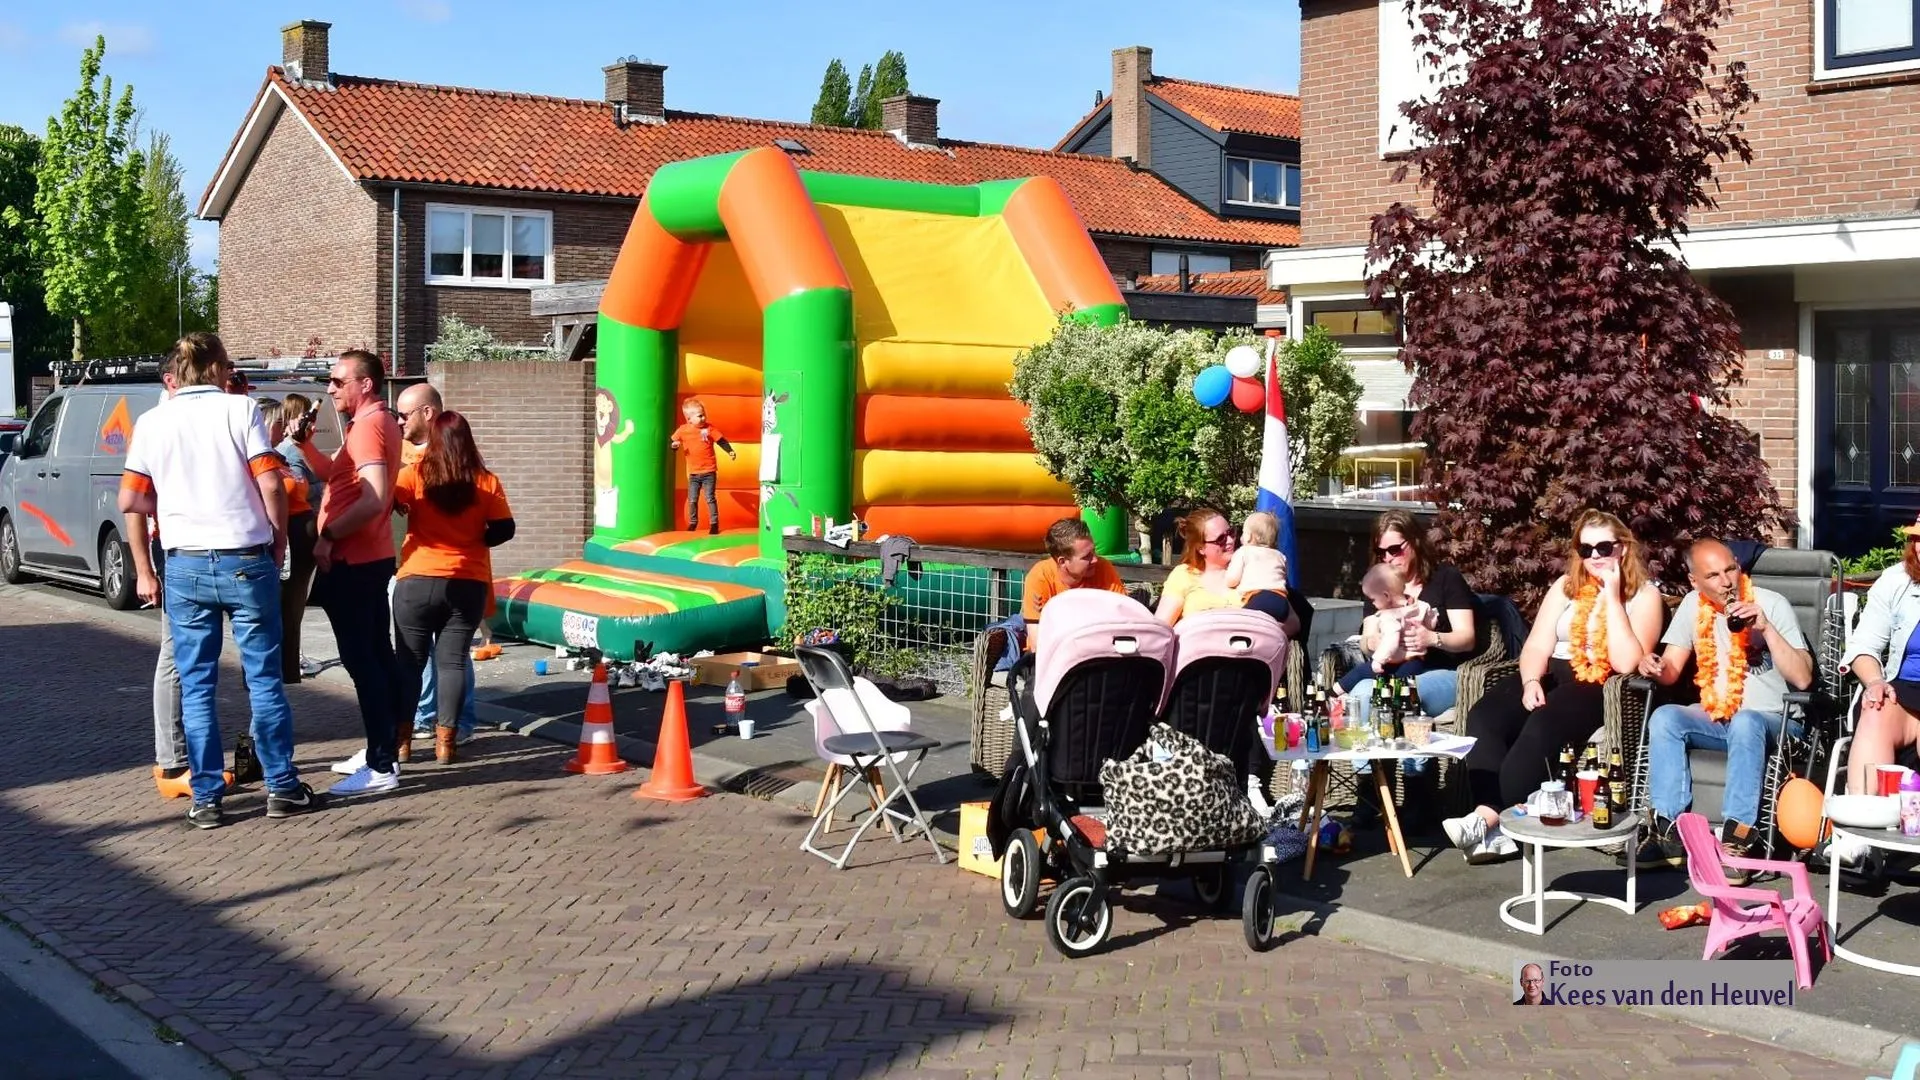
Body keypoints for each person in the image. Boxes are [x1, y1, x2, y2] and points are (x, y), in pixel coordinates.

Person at [118, 332, 323, 827]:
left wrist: (148, 563)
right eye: (228, 365)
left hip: (184, 561)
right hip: (244, 557)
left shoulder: (151, 422)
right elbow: (270, 481)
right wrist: (278, 540)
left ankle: (206, 797)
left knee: (197, 684)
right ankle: (281, 786)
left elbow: (131, 501)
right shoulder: (239, 410)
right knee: (263, 679)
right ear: (215, 369)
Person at [1443, 510, 1663, 863]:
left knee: (1541, 726)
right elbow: (1536, 645)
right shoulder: (1565, 587)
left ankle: (1488, 822)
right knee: (1484, 716)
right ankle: (1492, 820)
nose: (1594, 556)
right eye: (1585, 548)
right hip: (1550, 671)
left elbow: (1625, 663)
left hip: (1599, 682)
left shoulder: (1644, 596)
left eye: (1603, 547)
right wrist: (1530, 680)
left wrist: (1612, 597)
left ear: (1622, 548)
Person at [1631, 540, 1811, 873]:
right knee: (1665, 717)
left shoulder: (1772, 604)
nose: (1726, 581)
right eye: (1713, 575)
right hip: (1718, 718)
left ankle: (1739, 837)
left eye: (1730, 569)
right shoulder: (1691, 606)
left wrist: (1767, 629)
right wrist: (1652, 665)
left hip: (1776, 722)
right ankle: (1668, 832)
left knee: (1745, 721)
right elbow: (1670, 670)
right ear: (1694, 581)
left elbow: (1802, 679)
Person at [391, 411, 515, 765]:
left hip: (416, 580)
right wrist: (478, 538)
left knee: (409, 664)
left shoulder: (414, 475)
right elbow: (505, 528)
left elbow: (389, 503)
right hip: (467, 582)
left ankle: (402, 742)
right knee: (453, 664)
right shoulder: (486, 481)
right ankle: (446, 743)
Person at [312, 349, 407, 797]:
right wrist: (301, 445)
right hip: (369, 557)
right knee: (376, 656)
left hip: (353, 561)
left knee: (363, 661)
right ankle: (383, 748)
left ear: (364, 384)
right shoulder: (376, 423)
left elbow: (372, 498)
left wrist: (328, 534)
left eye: (338, 380)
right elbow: (337, 477)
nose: (330, 388)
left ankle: (382, 762)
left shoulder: (369, 426)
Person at [1833, 511, 1920, 874]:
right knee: (1875, 710)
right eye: (1916, 539)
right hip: (1904, 688)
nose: (1919, 546)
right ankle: (1863, 840)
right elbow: (1863, 647)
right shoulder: (1896, 581)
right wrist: (1874, 682)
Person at [1344, 510, 1482, 729]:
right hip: (1391, 671)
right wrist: (1377, 643)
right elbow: (1366, 639)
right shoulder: (1380, 582)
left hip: (1442, 670)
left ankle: (1410, 760)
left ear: (1415, 542)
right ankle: (1374, 763)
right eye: (1381, 552)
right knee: (1361, 697)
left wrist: (1431, 638)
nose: (1388, 558)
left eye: (1395, 550)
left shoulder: (1445, 578)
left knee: (1397, 696)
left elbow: (1467, 638)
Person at [1157, 508, 1302, 637]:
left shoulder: (1253, 568)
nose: (1231, 540)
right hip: (1198, 659)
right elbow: (1161, 627)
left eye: (1231, 532)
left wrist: (1255, 633)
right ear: (1200, 548)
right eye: (1221, 539)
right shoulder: (1184, 574)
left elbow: (1293, 623)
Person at [275, 392, 324, 682]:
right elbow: (298, 486)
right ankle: (288, 664)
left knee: (294, 606)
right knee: (290, 608)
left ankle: (290, 663)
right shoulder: (289, 452)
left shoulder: (295, 449)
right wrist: (324, 489)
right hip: (296, 531)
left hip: (302, 530)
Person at [1339, 562, 1433, 694]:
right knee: (1402, 684)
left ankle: (1331, 693)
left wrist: (1378, 660)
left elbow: (1391, 640)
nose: (1371, 603)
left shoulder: (1389, 617)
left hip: (1393, 661)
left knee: (1362, 672)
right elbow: (1431, 620)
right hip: (1417, 661)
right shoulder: (1419, 606)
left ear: (1386, 596)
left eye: (1372, 599)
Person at [1021, 517, 1128, 624]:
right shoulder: (1041, 576)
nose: (1095, 559)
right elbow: (1036, 635)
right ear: (1062, 562)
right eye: (1086, 556)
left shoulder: (1103, 568)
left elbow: (1123, 618)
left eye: (1093, 551)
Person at [669, 398, 736, 534]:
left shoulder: (709, 428)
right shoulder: (683, 430)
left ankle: (714, 524)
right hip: (693, 473)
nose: (703, 417)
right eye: (700, 416)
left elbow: (721, 440)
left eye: (704, 414)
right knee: (692, 499)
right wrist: (674, 446)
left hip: (709, 472)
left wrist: (730, 450)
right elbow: (672, 441)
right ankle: (693, 523)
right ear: (689, 419)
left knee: (710, 498)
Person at [1225, 511, 1290, 610]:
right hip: (1280, 599)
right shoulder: (1280, 555)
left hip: (1256, 597)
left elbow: (1232, 580)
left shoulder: (1244, 551)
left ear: (1249, 537)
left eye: (1243, 532)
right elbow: (1284, 576)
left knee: (1249, 621)